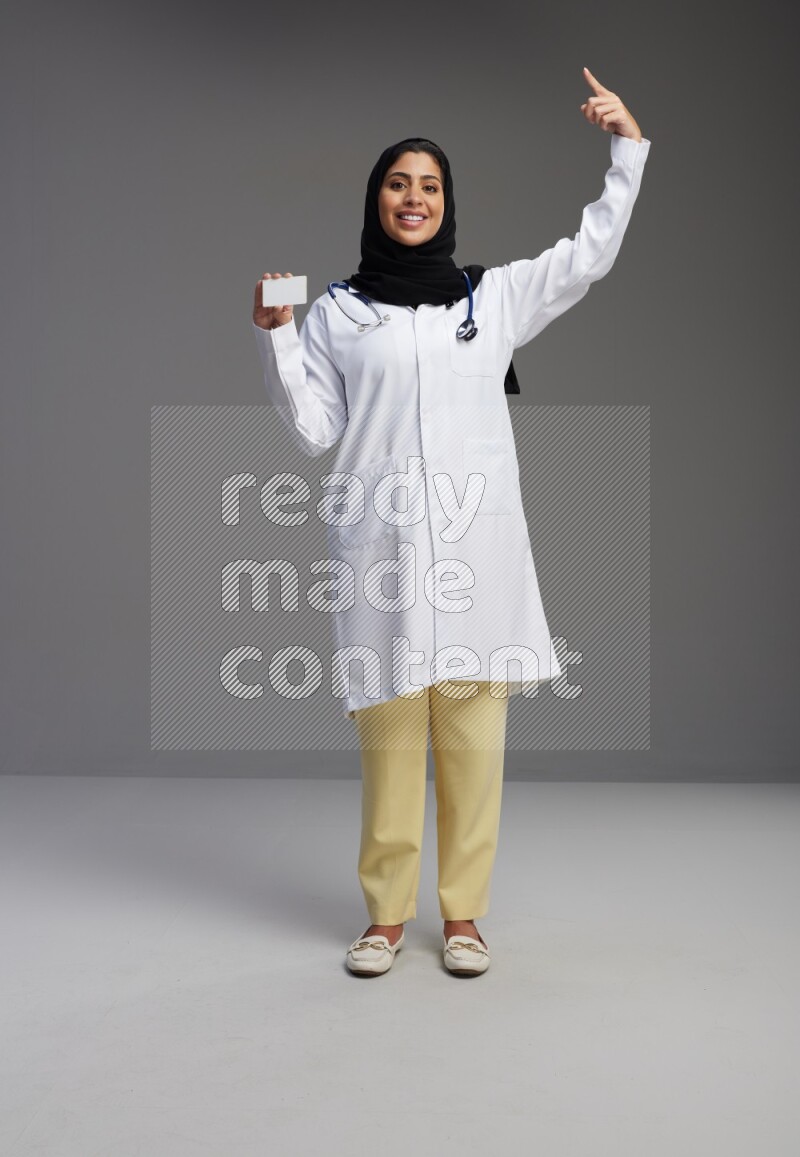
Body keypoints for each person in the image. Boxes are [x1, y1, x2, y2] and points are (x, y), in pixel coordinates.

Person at [251, 67, 651, 977]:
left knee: (474, 740)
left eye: (430, 185)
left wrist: (627, 147)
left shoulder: (492, 298)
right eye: (399, 183)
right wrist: (277, 333)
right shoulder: (339, 314)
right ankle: (385, 918)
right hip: (381, 553)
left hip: (476, 557)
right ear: (375, 199)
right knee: (392, 742)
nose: (414, 197)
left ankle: (463, 916)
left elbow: (590, 252)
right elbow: (315, 430)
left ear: (447, 202)